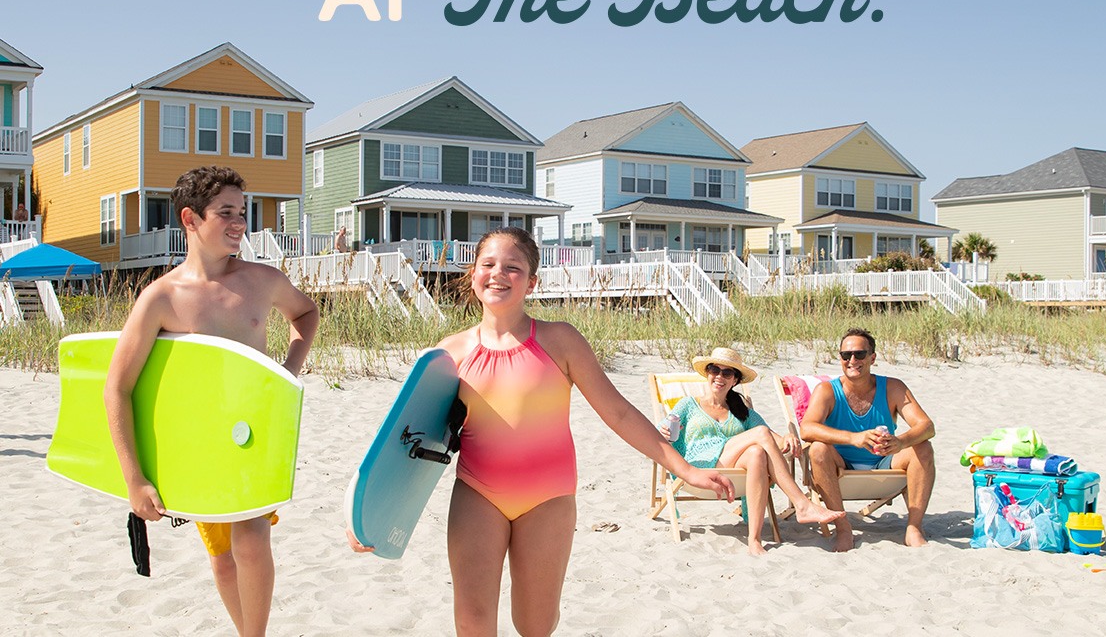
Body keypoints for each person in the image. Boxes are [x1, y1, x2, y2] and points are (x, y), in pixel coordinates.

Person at [347, 226, 734, 637]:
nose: (498, 274)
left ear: (531, 282)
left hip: (547, 499)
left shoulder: (559, 340)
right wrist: (367, 517)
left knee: (534, 624)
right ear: (472, 274)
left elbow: (618, 413)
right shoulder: (449, 354)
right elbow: (407, 444)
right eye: (488, 264)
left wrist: (686, 470)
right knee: (472, 623)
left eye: (513, 267)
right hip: (478, 494)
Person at [104, 167, 319, 637]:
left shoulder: (263, 280)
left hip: (254, 435)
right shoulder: (161, 298)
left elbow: (306, 311)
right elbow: (116, 387)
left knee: (251, 541)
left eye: (243, 213)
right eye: (226, 213)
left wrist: (289, 367)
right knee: (223, 559)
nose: (239, 222)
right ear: (190, 218)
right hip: (199, 446)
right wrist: (133, 478)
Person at [662, 347, 844, 556]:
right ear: (708, 373)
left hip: (731, 468)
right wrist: (665, 432)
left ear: (735, 381)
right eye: (714, 370)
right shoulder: (688, 405)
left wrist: (788, 437)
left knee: (757, 453)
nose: (719, 376)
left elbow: (772, 437)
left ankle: (754, 540)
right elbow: (662, 432)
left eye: (727, 373)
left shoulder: (741, 409)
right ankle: (802, 503)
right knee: (759, 435)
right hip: (700, 467)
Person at [799, 327, 936, 552]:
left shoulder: (892, 387)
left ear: (872, 357)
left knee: (923, 447)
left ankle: (914, 527)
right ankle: (843, 529)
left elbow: (926, 426)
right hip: (842, 462)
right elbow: (807, 429)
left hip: (885, 460)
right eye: (846, 355)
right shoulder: (828, 391)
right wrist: (854, 438)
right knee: (817, 450)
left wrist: (900, 442)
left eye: (859, 354)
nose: (852, 360)